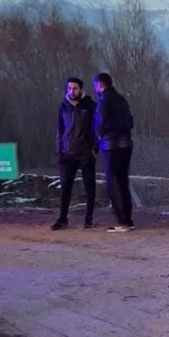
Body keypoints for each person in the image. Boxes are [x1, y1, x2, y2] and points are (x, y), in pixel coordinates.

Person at [52, 77, 98, 230]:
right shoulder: (63, 106)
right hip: (67, 152)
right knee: (66, 187)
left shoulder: (90, 105)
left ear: (81, 89)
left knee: (89, 186)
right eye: (69, 88)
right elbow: (60, 129)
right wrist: (59, 150)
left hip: (85, 151)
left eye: (75, 88)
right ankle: (63, 218)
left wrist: (94, 147)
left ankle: (89, 218)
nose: (72, 91)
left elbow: (96, 128)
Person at [93, 72, 136, 233]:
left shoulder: (104, 100)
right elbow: (130, 121)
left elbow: (100, 121)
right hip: (126, 144)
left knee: (113, 183)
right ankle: (128, 219)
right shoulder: (122, 99)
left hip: (111, 145)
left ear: (100, 85)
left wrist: (100, 134)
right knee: (123, 182)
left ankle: (122, 221)